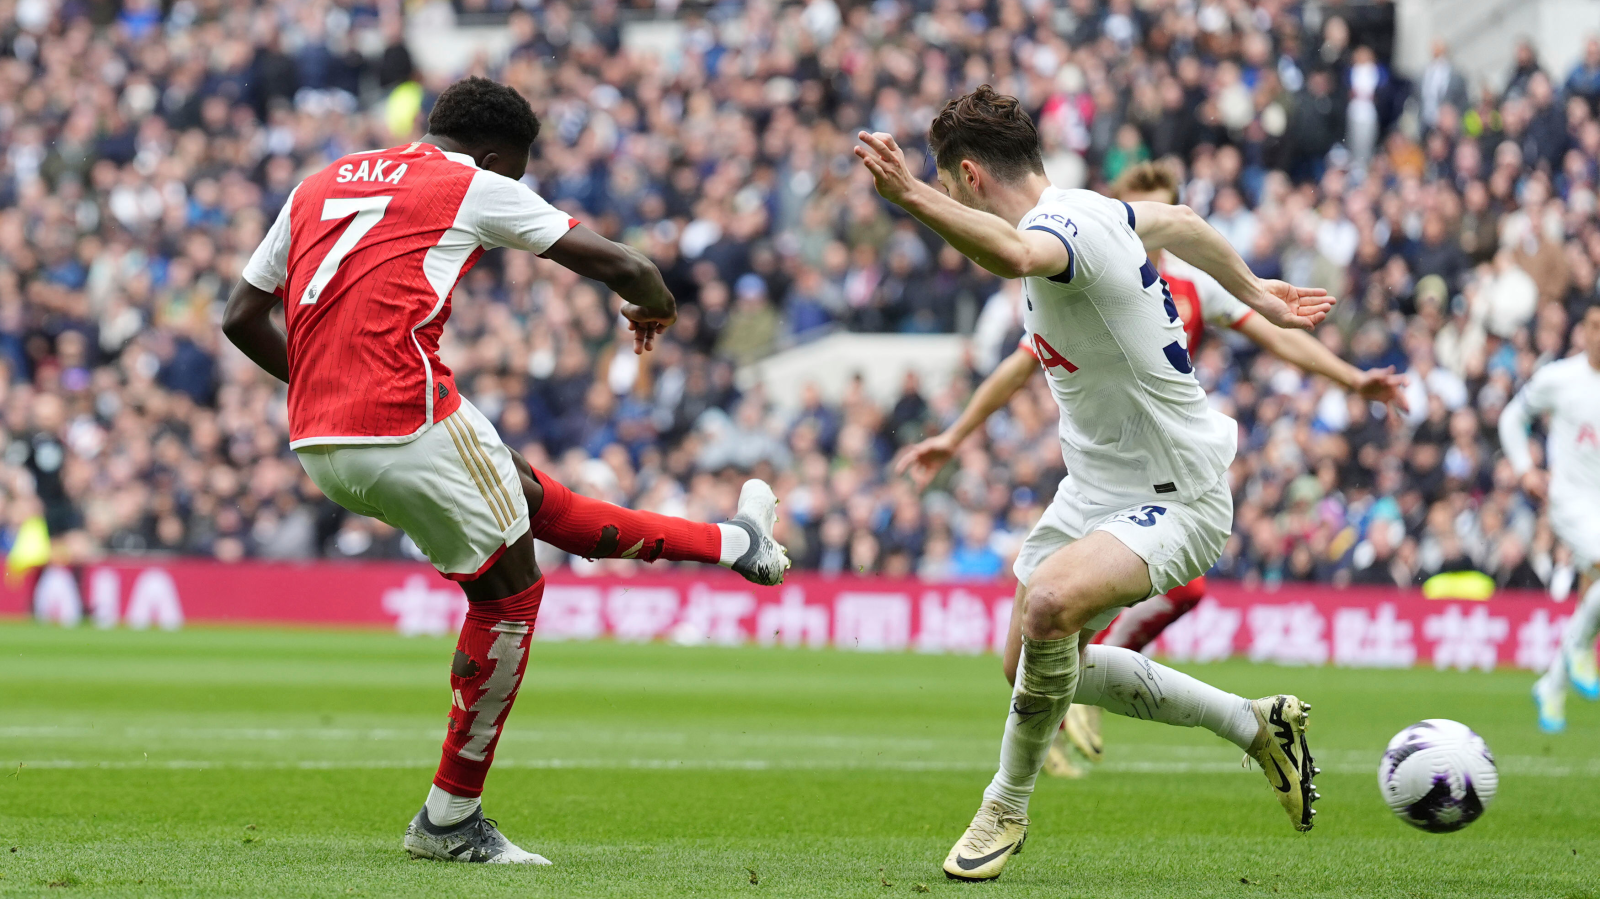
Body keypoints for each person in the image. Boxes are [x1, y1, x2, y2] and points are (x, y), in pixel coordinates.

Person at [222, 77, 789, 865]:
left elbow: (239, 315)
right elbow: (627, 266)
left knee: (530, 496)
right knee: (514, 594)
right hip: (401, 416)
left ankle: (735, 542)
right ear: (495, 155)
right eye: (514, 171)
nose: (512, 186)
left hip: (318, 436)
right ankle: (450, 819)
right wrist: (654, 306)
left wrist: (324, 382)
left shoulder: (320, 181)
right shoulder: (472, 182)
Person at [856, 88, 1327, 882]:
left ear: (969, 177)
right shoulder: (1096, 206)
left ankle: (1005, 803)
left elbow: (1013, 256)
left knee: (1047, 606)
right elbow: (1178, 221)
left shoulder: (1056, 229)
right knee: (1028, 664)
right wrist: (1253, 291)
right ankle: (1255, 727)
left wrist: (907, 197)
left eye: (945, 186)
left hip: (1177, 491)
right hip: (1096, 486)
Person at [897, 161, 1407, 775]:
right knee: (1026, 660)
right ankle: (1197, 711)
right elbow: (1019, 361)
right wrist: (954, 436)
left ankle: (1027, 771)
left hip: (1170, 472)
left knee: (1104, 605)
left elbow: (1278, 327)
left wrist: (1351, 378)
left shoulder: (1192, 283)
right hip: (1102, 473)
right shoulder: (1083, 261)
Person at [1506, 304, 1600, 733]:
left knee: (1592, 597)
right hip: (1570, 501)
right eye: (1595, 326)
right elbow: (1513, 416)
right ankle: (1580, 650)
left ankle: (1553, 683)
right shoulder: (1560, 377)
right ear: (1582, 331)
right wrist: (1525, 467)